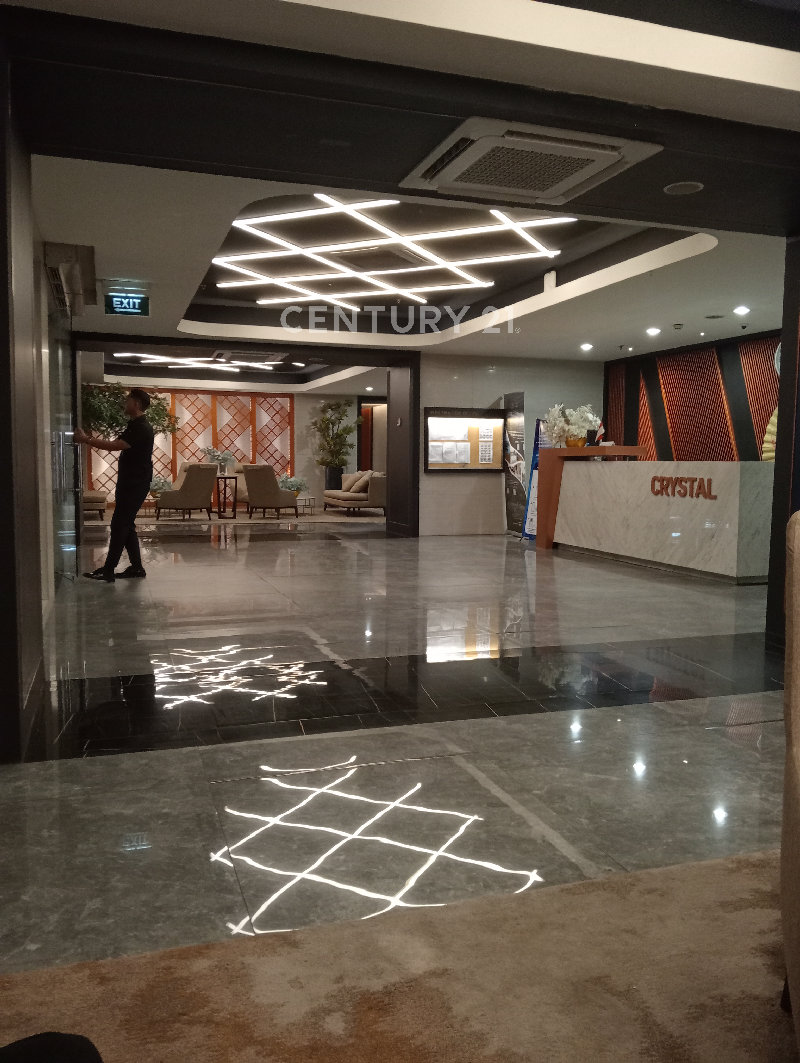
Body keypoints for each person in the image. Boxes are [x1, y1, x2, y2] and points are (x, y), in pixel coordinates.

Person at [75, 388, 155, 583]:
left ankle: (109, 569)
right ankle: (136, 568)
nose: (124, 403)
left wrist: (86, 439)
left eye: (127, 400)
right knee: (126, 524)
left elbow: (116, 445)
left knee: (120, 524)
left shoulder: (141, 427)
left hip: (135, 483)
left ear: (136, 403)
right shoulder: (135, 424)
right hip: (131, 481)